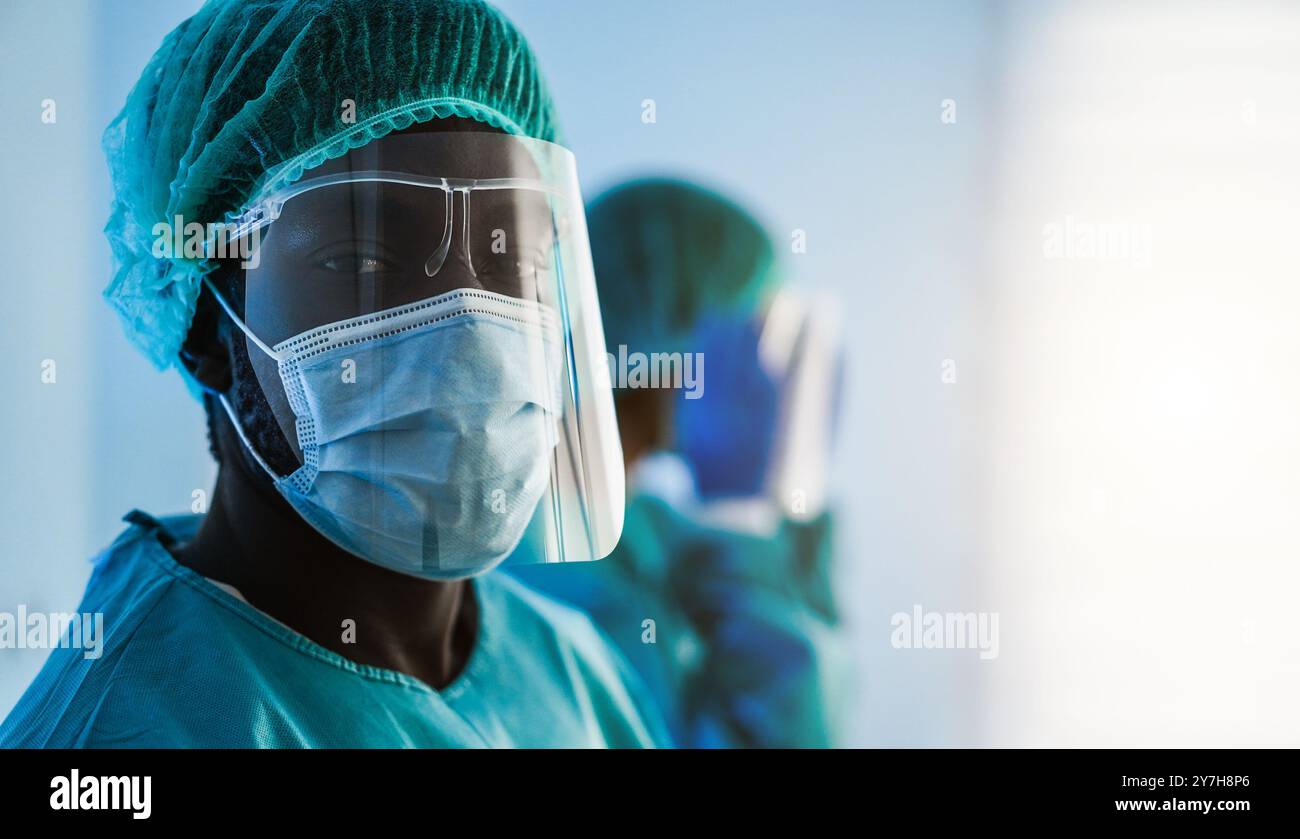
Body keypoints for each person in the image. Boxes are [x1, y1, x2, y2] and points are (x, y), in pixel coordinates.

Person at [0, 0, 668, 748]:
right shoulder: (119, 742)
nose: (475, 336)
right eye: (361, 259)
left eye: (516, 263)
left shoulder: (571, 671)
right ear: (205, 325)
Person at [511, 179, 848, 747]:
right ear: (675, 338)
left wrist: (786, 498)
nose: (764, 383)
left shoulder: (645, 527)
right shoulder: (546, 558)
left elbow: (814, 682)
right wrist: (738, 510)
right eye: (750, 345)